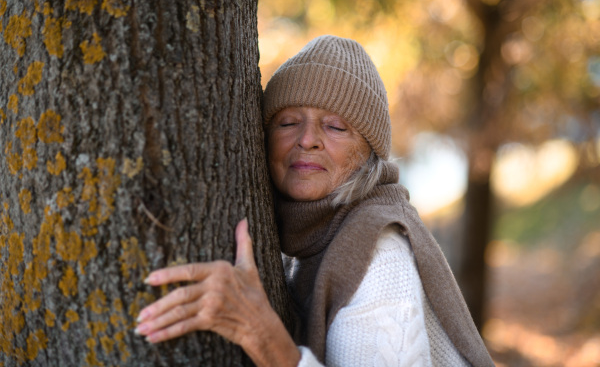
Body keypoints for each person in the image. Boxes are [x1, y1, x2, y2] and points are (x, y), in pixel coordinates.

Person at [135, 35, 495, 366]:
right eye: (288, 122)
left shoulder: (378, 254)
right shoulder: (303, 231)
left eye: (336, 127)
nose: (307, 139)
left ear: (368, 152)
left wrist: (261, 335)